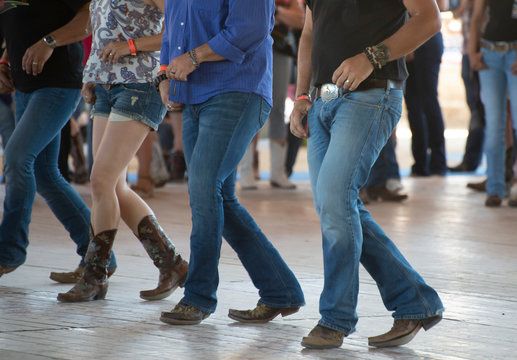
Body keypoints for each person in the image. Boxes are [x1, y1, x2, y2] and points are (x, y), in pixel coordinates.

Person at [290, 0, 444, 349]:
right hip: (323, 99)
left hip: (372, 94)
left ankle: (335, 318)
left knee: (334, 203)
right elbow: (310, 34)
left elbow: (430, 19)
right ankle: (415, 302)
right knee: (338, 208)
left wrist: (372, 56)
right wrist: (302, 95)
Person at [157, 0, 305, 325]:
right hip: (195, 94)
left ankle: (198, 296)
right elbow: (174, 27)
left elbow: (249, 29)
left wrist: (194, 57)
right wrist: (164, 73)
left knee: (204, 189)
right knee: (218, 197)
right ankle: (281, 291)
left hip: (237, 89)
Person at [58, 0, 188, 302]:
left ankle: (95, 274)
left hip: (140, 84)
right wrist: (92, 74)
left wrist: (132, 45)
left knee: (101, 180)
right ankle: (172, 264)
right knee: (114, 185)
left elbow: (179, 29)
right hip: (106, 84)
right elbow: (102, 29)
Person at [0, 0, 117, 280]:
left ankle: (9, 252)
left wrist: (49, 41)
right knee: (44, 174)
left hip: (59, 84)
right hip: (25, 87)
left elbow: (89, 15)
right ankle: (98, 257)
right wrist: (3, 61)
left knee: (17, 159)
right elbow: (13, 27)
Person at [239, 0, 305, 190]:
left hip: (280, 49)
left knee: (278, 108)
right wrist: (279, 14)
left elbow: (300, 19)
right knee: (250, 106)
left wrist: (274, 10)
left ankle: (278, 172)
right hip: (249, 48)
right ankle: (246, 171)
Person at [469, 0, 517, 207]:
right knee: (494, 124)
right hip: (490, 55)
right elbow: (477, 17)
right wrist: (472, 52)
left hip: (515, 54)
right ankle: (495, 188)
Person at [405, 1, 449, 177]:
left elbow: (442, 5)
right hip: (406, 39)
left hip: (428, 40)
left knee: (429, 101)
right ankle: (420, 163)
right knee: (413, 105)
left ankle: (438, 162)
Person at [448, 0, 486, 173]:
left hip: (481, 52)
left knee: (481, 110)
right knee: (476, 108)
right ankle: (472, 160)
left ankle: (473, 161)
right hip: (468, 52)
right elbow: (456, 13)